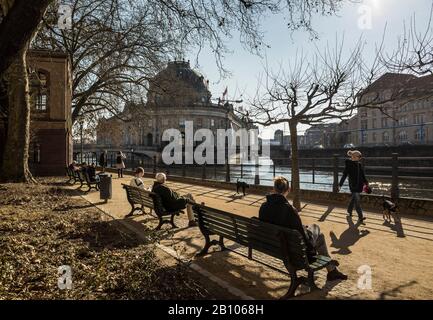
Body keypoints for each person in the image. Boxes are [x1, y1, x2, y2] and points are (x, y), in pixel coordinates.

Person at [259, 176, 347, 281]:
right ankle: (332, 271)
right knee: (317, 231)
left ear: (274, 188)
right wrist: (311, 251)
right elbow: (302, 237)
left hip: (274, 245)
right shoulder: (289, 209)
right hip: (294, 250)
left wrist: (302, 229)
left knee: (310, 231)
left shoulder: (264, 206)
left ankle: (332, 270)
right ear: (288, 189)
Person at [338, 150, 368, 222]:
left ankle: (349, 210)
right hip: (353, 185)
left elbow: (362, 175)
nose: (360, 158)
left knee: (354, 199)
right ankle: (360, 217)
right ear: (354, 157)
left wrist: (366, 182)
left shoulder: (359, 164)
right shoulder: (349, 165)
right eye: (359, 156)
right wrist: (340, 185)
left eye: (360, 156)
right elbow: (344, 175)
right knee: (357, 201)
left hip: (359, 185)